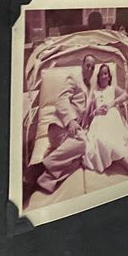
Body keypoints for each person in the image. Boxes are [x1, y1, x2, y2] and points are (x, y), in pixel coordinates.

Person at [35, 58, 96, 195]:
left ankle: (45, 179)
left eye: (93, 67)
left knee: (82, 159)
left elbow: (88, 115)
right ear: (82, 65)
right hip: (60, 127)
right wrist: (71, 120)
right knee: (83, 144)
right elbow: (61, 100)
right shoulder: (74, 78)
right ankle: (41, 167)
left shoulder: (91, 89)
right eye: (88, 66)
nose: (90, 69)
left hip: (73, 134)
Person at [84, 64, 128, 177]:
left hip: (112, 116)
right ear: (98, 77)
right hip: (99, 121)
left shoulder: (112, 88)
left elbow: (125, 96)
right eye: (101, 74)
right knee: (101, 140)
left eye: (105, 74)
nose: (103, 76)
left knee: (115, 137)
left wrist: (112, 103)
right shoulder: (94, 93)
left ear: (109, 76)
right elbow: (88, 116)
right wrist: (96, 112)